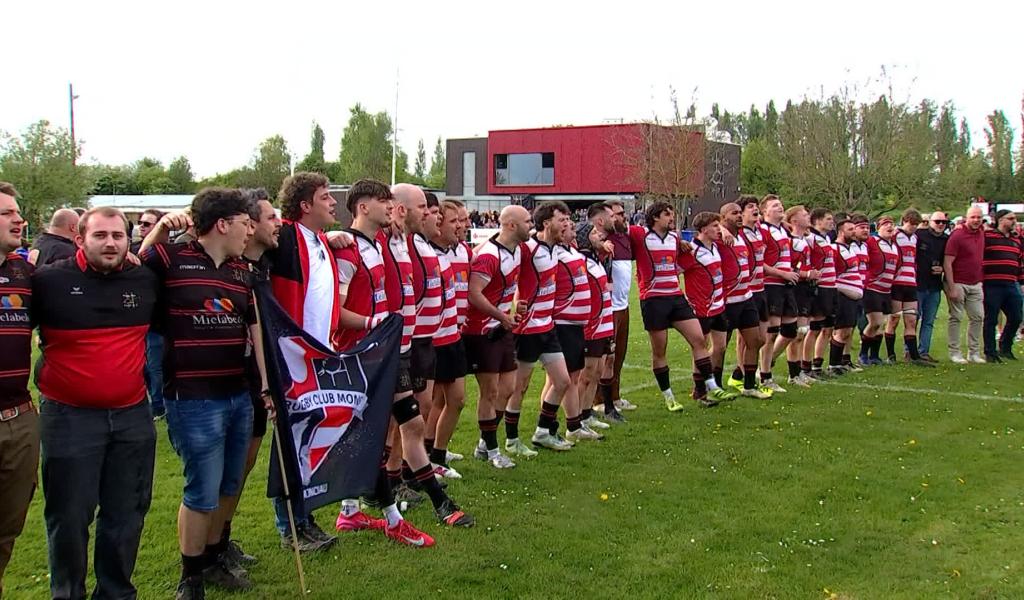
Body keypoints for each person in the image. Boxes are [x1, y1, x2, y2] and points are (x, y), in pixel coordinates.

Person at [140, 188, 266, 599]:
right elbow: (135, 266)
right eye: (246, 223)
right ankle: (190, 577)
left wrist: (263, 385)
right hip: (193, 399)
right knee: (202, 489)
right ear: (223, 223)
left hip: (237, 394)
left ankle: (214, 559)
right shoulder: (171, 259)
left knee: (230, 484)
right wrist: (160, 228)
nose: (251, 231)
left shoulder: (240, 271)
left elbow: (254, 327)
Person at [33, 206, 158, 599]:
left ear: (129, 239)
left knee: (126, 514)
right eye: (100, 235)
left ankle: (116, 593)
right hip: (69, 418)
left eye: (118, 236)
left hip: (132, 416)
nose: (110, 243)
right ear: (79, 239)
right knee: (69, 518)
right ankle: (67, 593)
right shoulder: (47, 282)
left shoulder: (145, 279)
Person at [356, 183, 474, 529]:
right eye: (424, 207)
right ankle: (423, 500)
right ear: (402, 210)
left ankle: (379, 496)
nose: (430, 212)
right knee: (398, 424)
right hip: (383, 350)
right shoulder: (381, 240)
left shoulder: (405, 241)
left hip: (408, 347)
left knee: (409, 422)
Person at [331, 179, 437, 547]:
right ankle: (392, 517)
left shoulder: (375, 245)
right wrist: (374, 323)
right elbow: (337, 312)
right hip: (361, 354)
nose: (390, 206)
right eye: (383, 200)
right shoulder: (348, 251)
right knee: (373, 434)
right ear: (362, 207)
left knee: (394, 424)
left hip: (384, 350)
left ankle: (350, 512)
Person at [265, 172, 340, 552]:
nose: (333, 202)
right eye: (325, 197)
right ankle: (289, 525)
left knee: (307, 442)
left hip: (318, 357)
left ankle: (304, 516)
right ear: (305, 205)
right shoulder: (287, 235)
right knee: (290, 442)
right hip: (290, 359)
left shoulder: (321, 241)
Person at [210, 188, 280, 573]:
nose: (275, 224)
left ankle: (221, 538)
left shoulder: (268, 263)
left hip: (258, 379)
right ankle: (208, 548)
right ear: (247, 225)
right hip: (223, 382)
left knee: (244, 464)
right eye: (269, 218)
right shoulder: (225, 266)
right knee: (221, 470)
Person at [628, 201, 732, 410]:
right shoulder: (640, 234)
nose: (672, 217)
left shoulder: (676, 237)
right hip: (653, 299)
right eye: (667, 214)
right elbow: (620, 227)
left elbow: (688, 253)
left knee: (699, 340)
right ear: (655, 217)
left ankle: (710, 385)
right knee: (660, 351)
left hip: (676, 297)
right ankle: (669, 397)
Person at [506, 201, 575, 451]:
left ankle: (543, 432)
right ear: (547, 223)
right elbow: (502, 255)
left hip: (547, 326)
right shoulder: (528, 247)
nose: (566, 225)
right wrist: (515, 301)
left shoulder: (555, 248)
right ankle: (510, 440)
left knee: (563, 381)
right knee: (519, 387)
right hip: (527, 329)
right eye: (562, 220)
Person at [466, 206, 529, 467]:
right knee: (490, 392)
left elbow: (510, 287)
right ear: (512, 225)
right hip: (482, 331)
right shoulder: (490, 255)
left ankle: (484, 441)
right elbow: (474, 293)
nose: (531, 224)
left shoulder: (517, 251)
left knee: (508, 388)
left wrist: (514, 308)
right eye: (527, 221)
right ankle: (492, 451)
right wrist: (499, 315)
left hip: (502, 326)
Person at [0, 182, 36, 598]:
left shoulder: (23, 273)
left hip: (19, 420)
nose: (19, 219)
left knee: (6, 531)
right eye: (8, 212)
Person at [427, 200, 470, 477]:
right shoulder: (426, 251)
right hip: (431, 339)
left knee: (454, 400)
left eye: (463, 220)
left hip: (454, 335)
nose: (462, 226)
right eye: (455, 221)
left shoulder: (462, 251)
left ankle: (436, 453)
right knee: (429, 403)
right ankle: (427, 457)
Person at [678, 212, 740, 405]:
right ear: (704, 229)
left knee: (720, 347)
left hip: (719, 305)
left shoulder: (715, 246)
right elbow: (675, 272)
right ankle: (700, 391)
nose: (718, 230)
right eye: (714, 226)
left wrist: (721, 228)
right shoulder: (691, 251)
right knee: (700, 348)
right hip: (700, 308)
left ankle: (711, 382)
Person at [718, 202, 771, 398]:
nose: (739, 216)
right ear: (723, 218)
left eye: (741, 213)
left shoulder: (742, 237)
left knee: (755, 340)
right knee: (720, 345)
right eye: (734, 213)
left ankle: (749, 386)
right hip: (728, 300)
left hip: (747, 296)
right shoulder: (719, 237)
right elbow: (704, 227)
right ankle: (714, 386)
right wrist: (722, 230)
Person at [759, 195, 799, 392]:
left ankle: (769, 360)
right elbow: (760, 263)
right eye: (775, 205)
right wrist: (782, 272)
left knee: (792, 330)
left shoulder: (782, 230)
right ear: (765, 211)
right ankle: (765, 376)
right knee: (771, 332)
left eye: (781, 204)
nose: (780, 207)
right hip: (772, 284)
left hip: (786, 284)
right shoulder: (763, 230)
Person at [605, 200, 636, 412]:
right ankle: (600, 400)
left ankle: (614, 396)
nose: (623, 217)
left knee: (620, 353)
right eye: (618, 214)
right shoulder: (601, 238)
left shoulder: (626, 236)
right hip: (609, 307)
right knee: (608, 355)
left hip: (623, 304)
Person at [944, 206, 986, 364]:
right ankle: (954, 352)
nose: (976, 220)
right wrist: (952, 286)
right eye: (973, 217)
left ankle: (974, 352)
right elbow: (947, 262)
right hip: (958, 282)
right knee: (956, 317)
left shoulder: (982, 233)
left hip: (976, 283)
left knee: (978, 317)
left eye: (979, 217)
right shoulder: (957, 235)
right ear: (966, 218)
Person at [981, 210, 1023, 362]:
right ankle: (990, 352)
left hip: (1011, 283)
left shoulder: (1016, 240)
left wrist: (1021, 281)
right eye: (1010, 219)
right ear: (1000, 220)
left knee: (1016, 317)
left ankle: (1005, 347)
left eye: (1015, 219)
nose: (1014, 221)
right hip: (992, 283)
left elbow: (1019, 262)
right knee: (991, 318)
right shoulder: (988, 237)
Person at [828, 218, 865, 375]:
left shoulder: (850, 248)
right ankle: (833, 365)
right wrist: (841, 289)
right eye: (850, 230)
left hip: (853, 296)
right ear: (841, 232)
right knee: (841, 331)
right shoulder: (835, 249)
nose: (854, 232)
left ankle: (842, 362)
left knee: (848, 331)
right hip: (843, 297)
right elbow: (831, 273)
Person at [861, 217, 899, 365]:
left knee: (881, 324)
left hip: (886, 289)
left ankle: (874, 356)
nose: (889, 226)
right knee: (875, 322)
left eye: (892, 224)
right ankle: (863, 354)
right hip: (873, 288)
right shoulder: (873, 242)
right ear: (878, 228)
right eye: (885, 224)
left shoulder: (894, 245)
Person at [804, 208, 837, 379]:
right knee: (815, 327)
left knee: (828, 327)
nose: (832, 222)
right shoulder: (811, 238)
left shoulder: (827, 238)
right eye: (828, 219)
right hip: (820, 286)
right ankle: (806, 366)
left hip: (831, 286)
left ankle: (818, 364)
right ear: (817, 221)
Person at [915, 211, 948, 362]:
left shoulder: (947, 239)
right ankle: (910, 351)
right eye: (937, 221)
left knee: (928, 321)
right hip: (918, 283)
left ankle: (923, 352)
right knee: (913, 319)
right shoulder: (919, 235)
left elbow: (948, 261)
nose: (941, 224)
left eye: (943, 222)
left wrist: (942, 269)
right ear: (929, 222)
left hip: (935, 285)